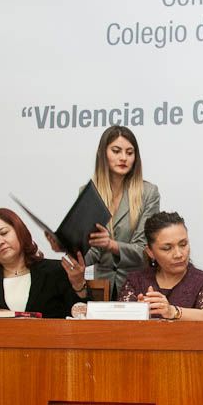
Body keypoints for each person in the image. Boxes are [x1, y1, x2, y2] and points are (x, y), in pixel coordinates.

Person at [83, 125, 160, 297]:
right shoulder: (89, 193)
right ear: (102, 154)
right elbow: (91, 251)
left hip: (137, 287)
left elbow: (144, 251)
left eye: (129, 152)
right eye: (116, 151)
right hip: (100, 287)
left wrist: (111, 245)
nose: (123, 158)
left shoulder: (148, 193)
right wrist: (69, 250)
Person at [0, 208, 87, 317]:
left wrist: (78, 285)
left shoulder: (56, 271)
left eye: (4, 233)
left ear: (20, 232)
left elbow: (82, 316)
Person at [118, 211, 203, 320]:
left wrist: (172, 311)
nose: (178, 254)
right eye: (167, 248)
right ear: (150, 252)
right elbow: (118, 319)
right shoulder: (135, 281)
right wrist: (136, 311)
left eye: (183, 244)